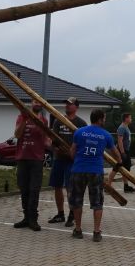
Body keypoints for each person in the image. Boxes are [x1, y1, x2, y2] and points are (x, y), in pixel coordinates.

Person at [69, 109, 122, 242]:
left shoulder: (79, 132)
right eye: (104, 118)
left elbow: (72, 151)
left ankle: (78, 230)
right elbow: (115, 152)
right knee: (97, 202)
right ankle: (96, 232)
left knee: (77, 201)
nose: (105, 120)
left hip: (78, 169)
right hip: (96, 171)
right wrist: (120, 162)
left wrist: (77, 161)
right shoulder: (106, 135)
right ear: (99, 119)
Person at [48, 97, 87, 227]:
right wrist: (55, 149)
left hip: (73, 161)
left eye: (70, 104)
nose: (67, 106)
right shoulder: (58, 121)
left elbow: (84, 143)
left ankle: (72, 214)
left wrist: (75, 154)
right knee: (57, 186)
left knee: (71, 188)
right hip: (59, 159)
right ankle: (60, 214)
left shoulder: (81, 123)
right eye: (67, 104)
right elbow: (53, 140)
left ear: (76, 107)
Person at [13, 100, 50, 231]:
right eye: (35, 101)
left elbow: (45, 140)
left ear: (42, 105)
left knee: (34, 190)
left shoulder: (44, 121)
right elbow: (17, 134)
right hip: (22, 158)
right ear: (31, 103)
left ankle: (33, 219)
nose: (37, 104)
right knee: (24, 189)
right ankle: (26, 218)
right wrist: (25, 118)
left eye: (39, 102)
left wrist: (54, 145)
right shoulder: (21, 117)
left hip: (37, 159)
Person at [107, 113, 135, 193]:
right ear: (126, 119)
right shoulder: (122, 128)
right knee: (116, 167)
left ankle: (126, 186)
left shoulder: (126, 127)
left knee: (126, 168)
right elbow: (120, 141)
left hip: (125, 150)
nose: (131, 119)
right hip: (122, 151)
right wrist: (123, 153)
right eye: (130, 118)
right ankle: (108, 186)